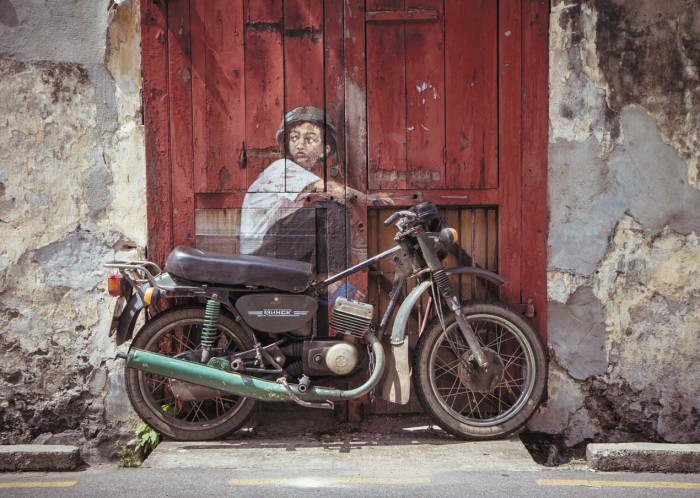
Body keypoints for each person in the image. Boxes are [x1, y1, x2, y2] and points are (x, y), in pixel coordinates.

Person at [239, 106, 340, 265]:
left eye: (309, 140)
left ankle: (317, 274)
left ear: (324, 150)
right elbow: (335, 191)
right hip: (261, 252)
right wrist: (372, 199)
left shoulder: (295, 174)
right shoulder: (284, 168)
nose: (300, 145)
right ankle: (334, 274)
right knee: (330, 208)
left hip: (265, 250)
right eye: (294, 138)